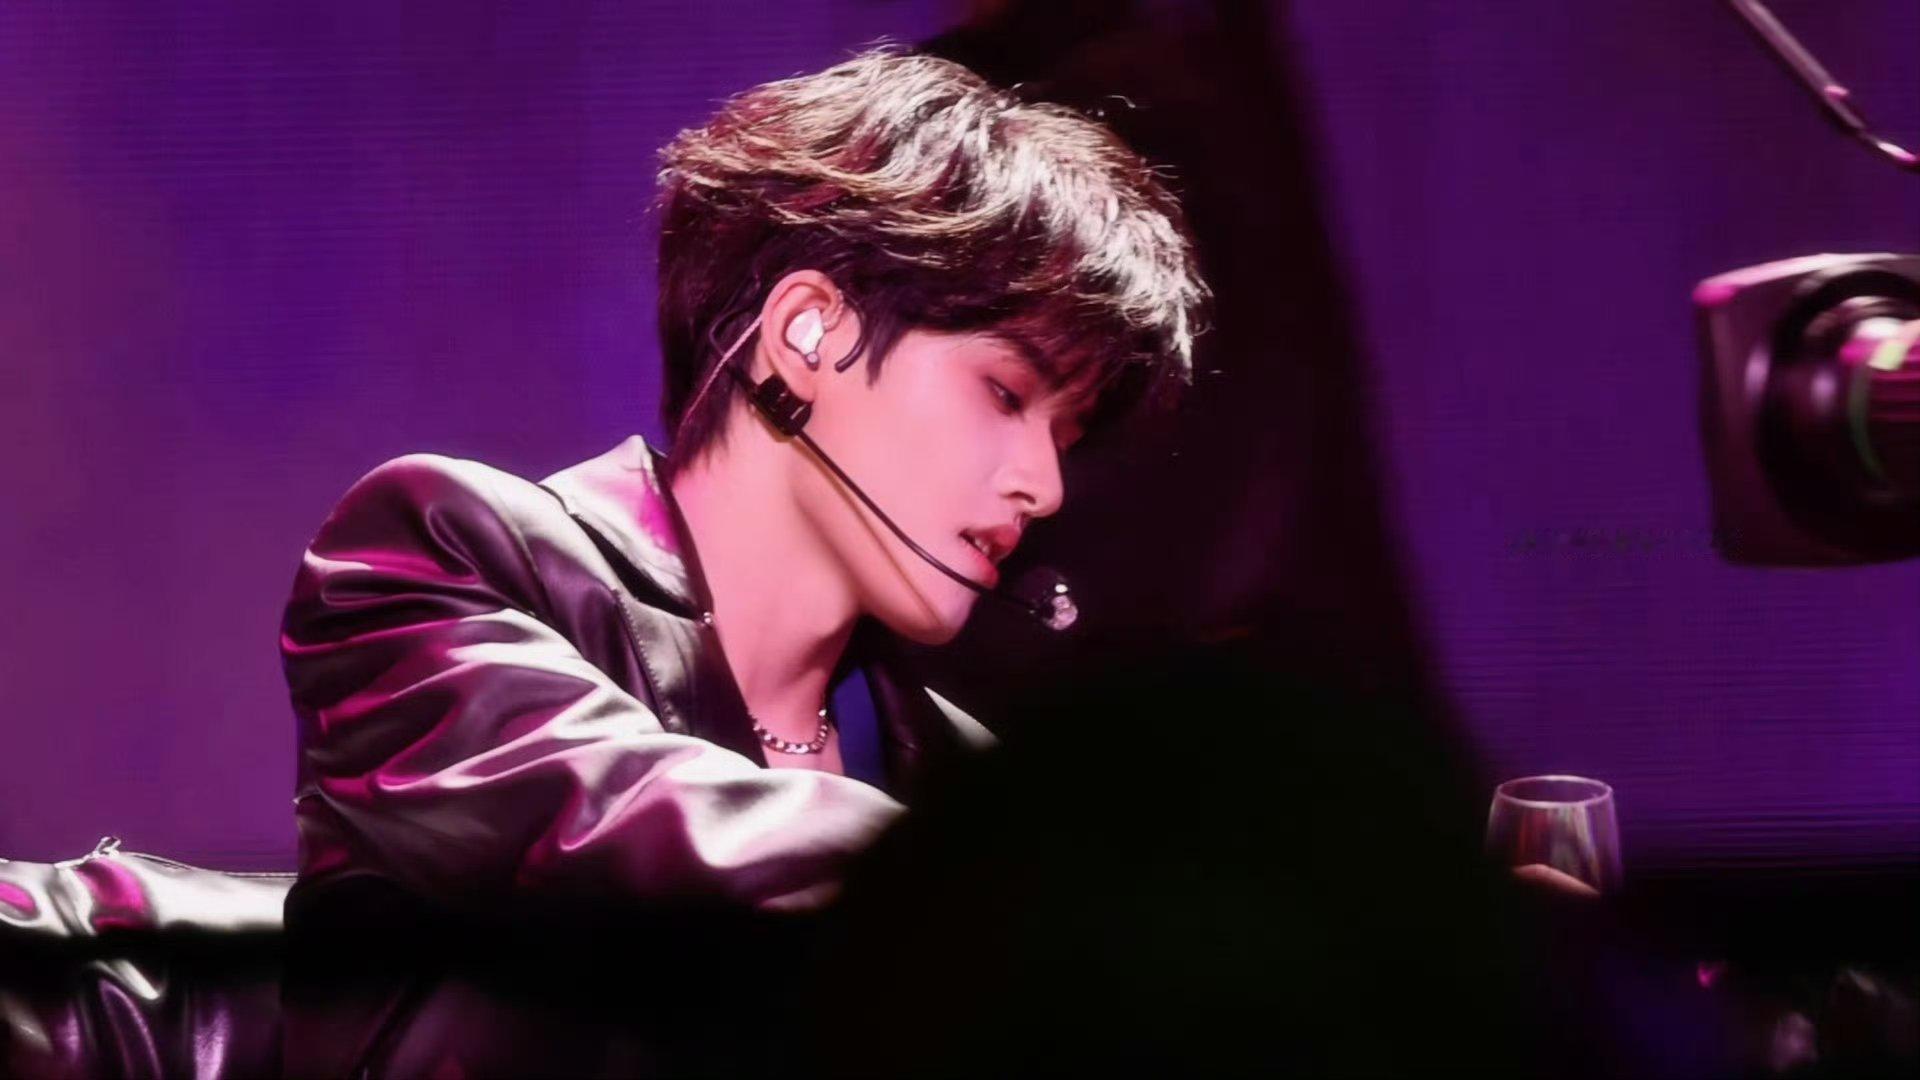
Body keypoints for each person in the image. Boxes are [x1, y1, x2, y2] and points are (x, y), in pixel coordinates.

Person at [276, 46, 1206, 1076]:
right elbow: (603, 823)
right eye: (1006, 393)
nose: (1044, 484)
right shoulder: (441, 552)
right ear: (808, 331)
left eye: (1065, 435)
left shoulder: (969, 791)